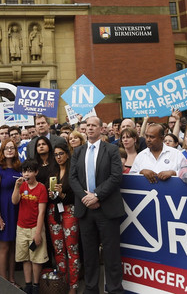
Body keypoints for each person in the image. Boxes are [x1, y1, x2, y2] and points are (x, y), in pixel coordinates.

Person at [69, 116, 124, 294]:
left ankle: (115, 289)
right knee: (90, 255)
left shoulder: (112, 149)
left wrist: (97, 196)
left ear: (101, 129)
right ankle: (91, 289)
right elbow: (72, 178)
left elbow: (116, 176)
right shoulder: (78, 151)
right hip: (85, 210)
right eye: (87, 126)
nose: (90, 128)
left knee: (111, 254)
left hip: (106, 208)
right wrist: (86, 198)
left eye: (94, 125)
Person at [12, 159, 49, 294]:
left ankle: (36, 284)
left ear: (36, 172)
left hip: (35, 227)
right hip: (21, 227)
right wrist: (16, 187)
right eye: (24, 171)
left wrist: (38, 232)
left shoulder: (41, 188)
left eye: (29, 171)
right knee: (25, 258)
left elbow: (41, 212)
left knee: (36, 259)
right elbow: (14, 201)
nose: (26, 174)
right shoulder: (21, 185)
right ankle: (27, 284)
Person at [47, 143, 79, 293]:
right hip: (53, 212)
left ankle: (73, 285)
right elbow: (50, 195)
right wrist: (51, 194)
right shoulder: (52, 171)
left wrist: (62, 195)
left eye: (61, 154)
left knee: (71, 249)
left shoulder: (74, 170)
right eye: (56, 155)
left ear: (67, 154)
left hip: (69, 210)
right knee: (58, 249)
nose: (58, 157)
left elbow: (76, 195)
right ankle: (62, 281)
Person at [0, 139, 21, 286]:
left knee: (14, 246)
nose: (10, 150)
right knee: (4, 246)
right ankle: (3, 281)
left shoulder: (18, 168)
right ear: (2, 151)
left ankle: (12, 279)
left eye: (12, 148)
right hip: (3, 210)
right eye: (6, 148)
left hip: (17, 210)